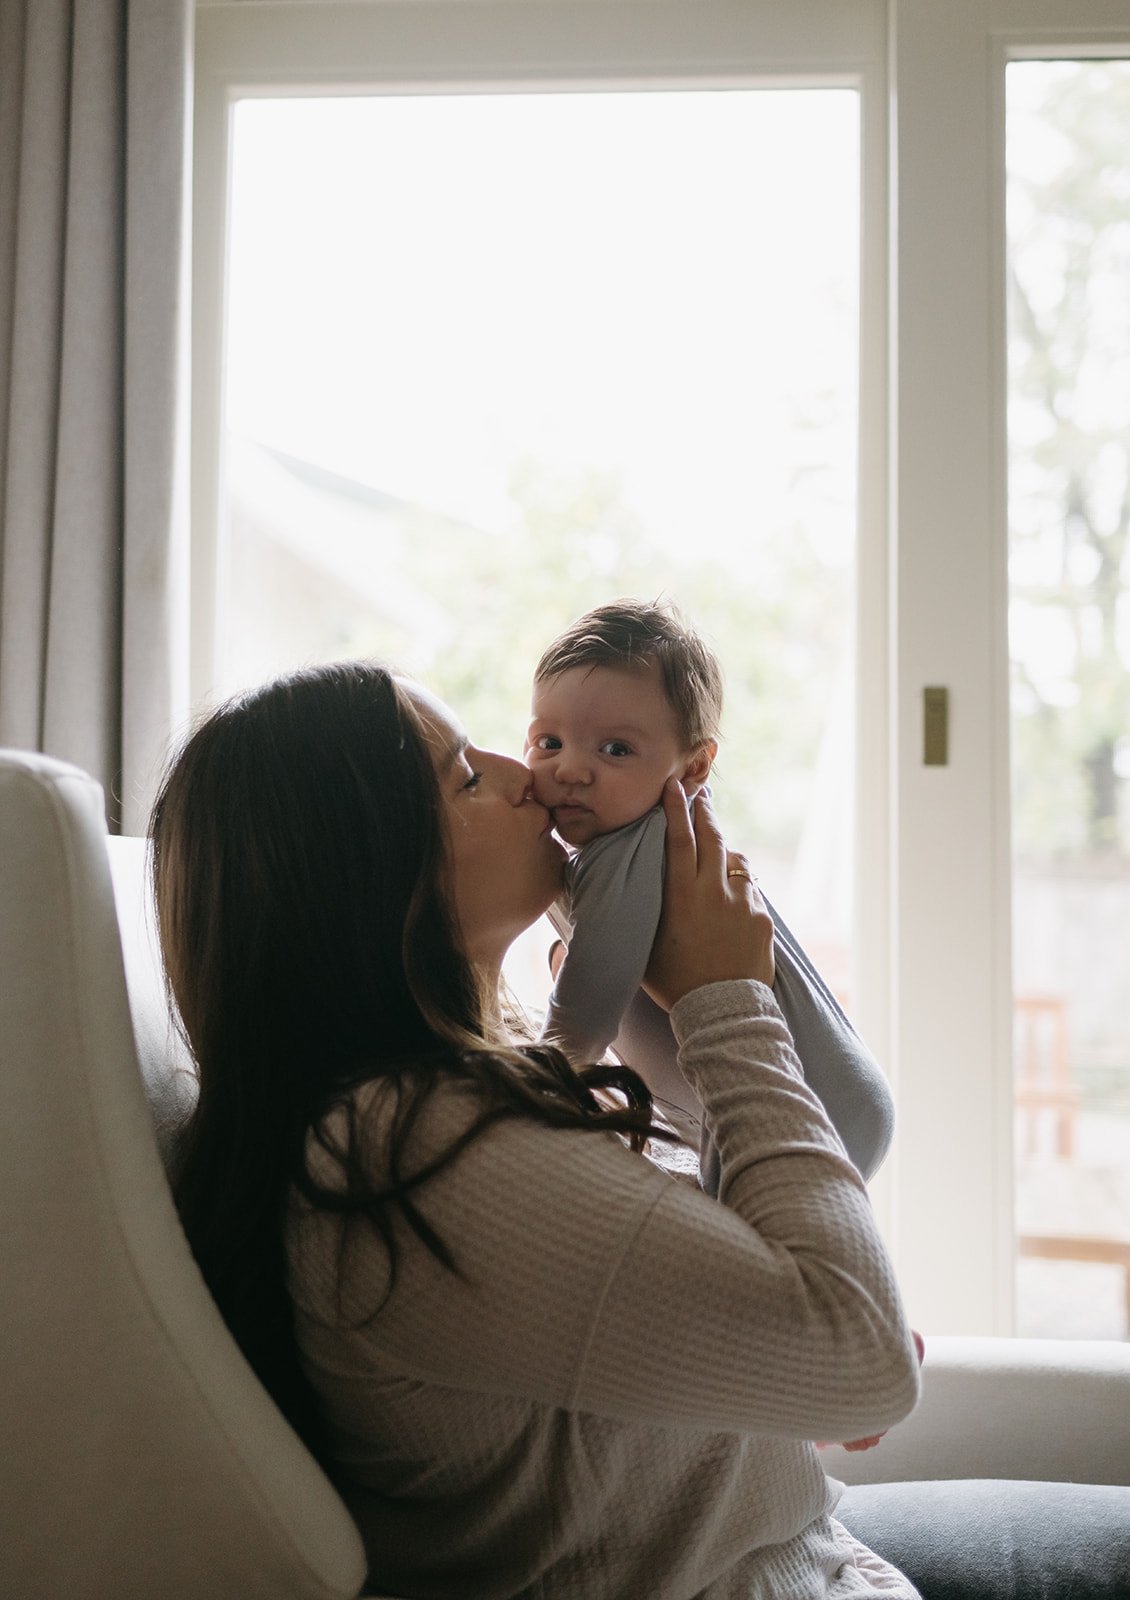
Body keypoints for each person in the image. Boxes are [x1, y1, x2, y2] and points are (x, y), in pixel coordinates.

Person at [150, 658, 924, 1599]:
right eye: (466, 778)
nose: (529, 776)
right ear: (370, 870)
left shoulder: (436, 1099)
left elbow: (612, 1344)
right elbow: (866, 1364)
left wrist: (754, 1349)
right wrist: (727, 999)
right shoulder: (417, 1149)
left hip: (794, 1546)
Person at [526, 598, 894, 1198]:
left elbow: (592, 993)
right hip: (832, 1097)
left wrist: (539, 1076)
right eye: (549, 742)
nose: (571, 770)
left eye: (615, 749)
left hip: (820, 1106)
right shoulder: (630, 835)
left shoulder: (634, 845)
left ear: (693, 768)